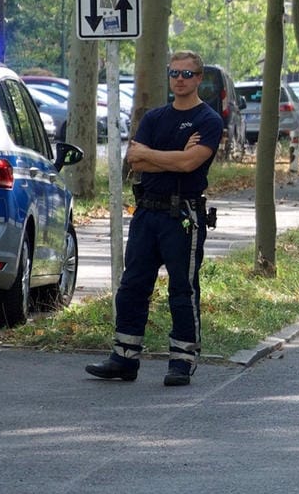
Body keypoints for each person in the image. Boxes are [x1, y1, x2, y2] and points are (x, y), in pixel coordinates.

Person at [86, 50, 224, 388]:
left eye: (187, 74)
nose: (180, 79)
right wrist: (171, 154)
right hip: (147, 212)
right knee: (132, 286)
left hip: (183, 215)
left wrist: (156, 156)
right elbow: (135, 160)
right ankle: (124, 358)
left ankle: (181, 361)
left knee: (182, 289)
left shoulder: (208, 120)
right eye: (174, 73)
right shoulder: (154, 117)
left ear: (199, 79)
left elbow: (189, 165)